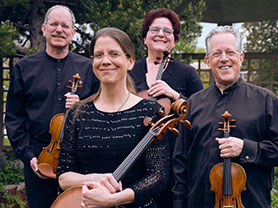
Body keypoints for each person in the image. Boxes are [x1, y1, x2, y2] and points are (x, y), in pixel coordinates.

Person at [172, 25, 278, 208]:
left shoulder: (265, 100)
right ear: (207, 60)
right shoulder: (193, 104)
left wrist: (247, 148)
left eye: (230, 52)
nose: (224, 59)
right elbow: (180, 162)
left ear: (241, 57)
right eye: (216, 53)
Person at [56, 27, 169, 208]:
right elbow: (63, 176)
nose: (105, 61)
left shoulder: (150, 110)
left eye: (114, 54)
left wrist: (113, 200)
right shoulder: (78, 113)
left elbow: (158, 176)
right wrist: (93, 179)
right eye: (99, 55)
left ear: (130, 61)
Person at [5, 5, 99, 208]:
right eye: (54, 24)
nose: (59, 29)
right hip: (41, 157)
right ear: (44, 29)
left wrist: (82, 107)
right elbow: (14, 118)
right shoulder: (24, 68)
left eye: (65, 25)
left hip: (80, 158)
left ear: (73, 32)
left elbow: (102, 109)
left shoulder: (88, 68)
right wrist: (28, 155)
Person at [129, 8, 203, 207]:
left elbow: (202, 111)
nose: (161, 34)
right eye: (155, 29)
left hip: (173, 157)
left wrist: (175, 95)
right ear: (145, 38)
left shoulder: (187, 73)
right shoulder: (130, 70)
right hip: (133, 156)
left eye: (167, 31)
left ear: (174, 41)